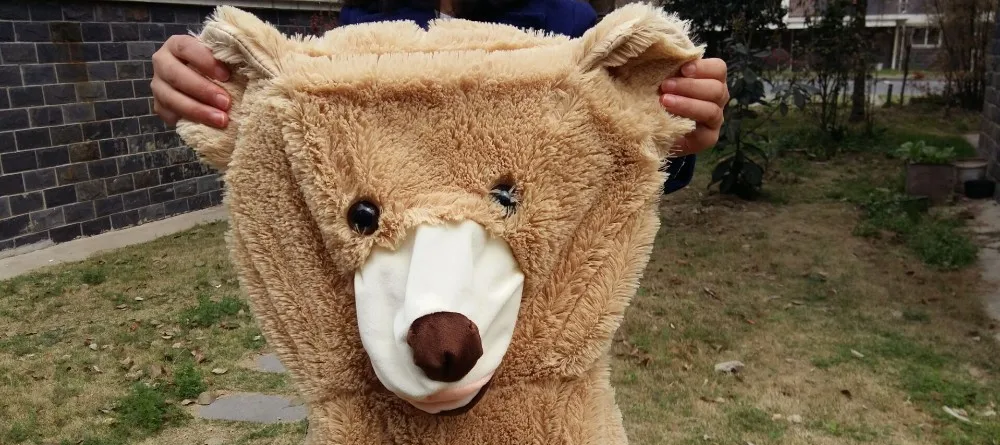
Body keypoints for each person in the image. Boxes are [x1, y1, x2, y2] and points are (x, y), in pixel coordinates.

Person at [151, 0, 728, 193]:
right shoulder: (366, 19)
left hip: (524, 321)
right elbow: (316, 160)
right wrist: (214, 98)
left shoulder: (567, 23)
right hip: (385, 310)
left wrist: (680, 132)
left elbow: (615, 175)